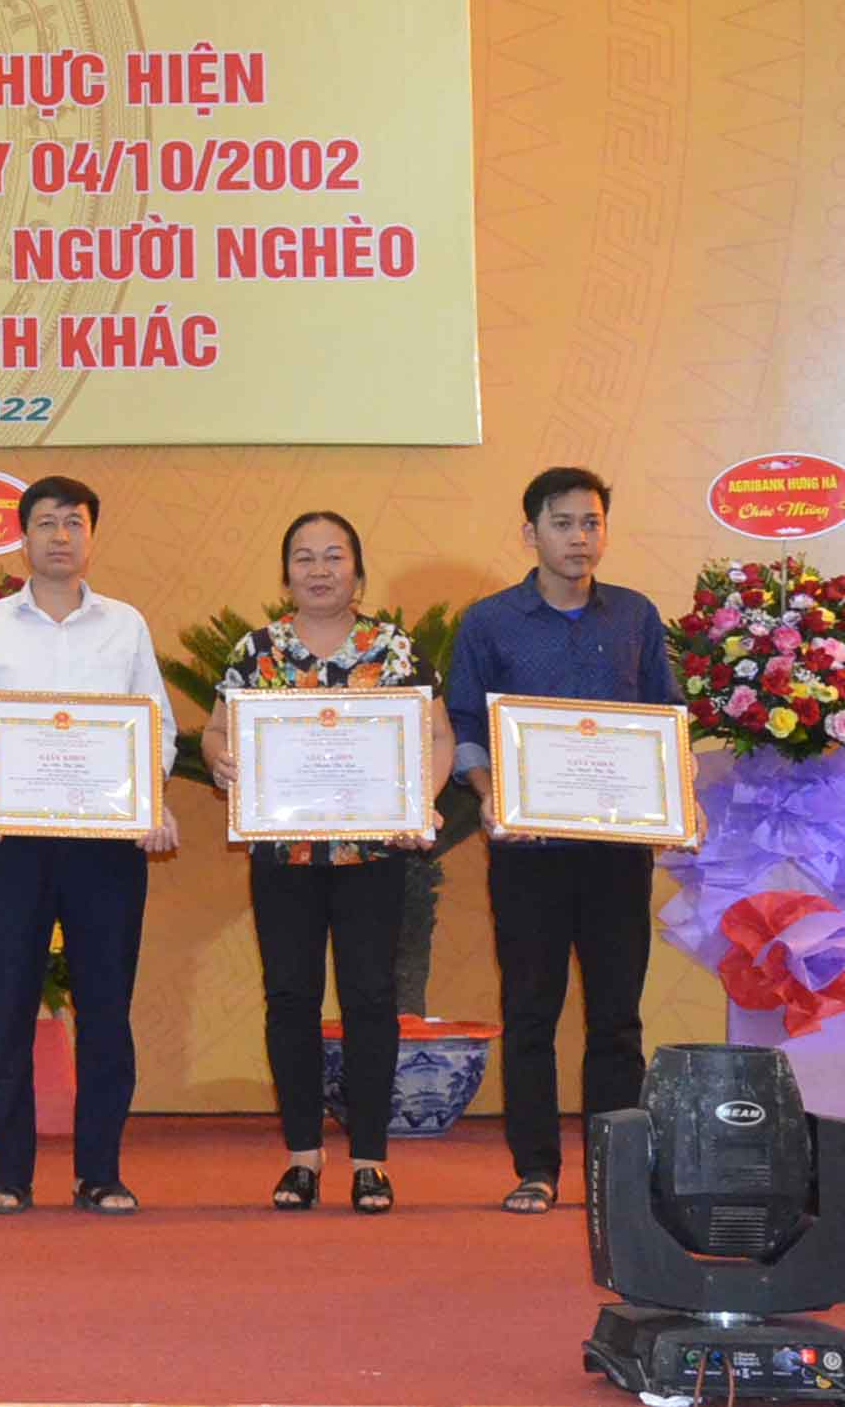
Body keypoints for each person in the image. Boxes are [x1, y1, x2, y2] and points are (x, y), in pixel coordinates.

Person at [0, 475, 178, 1216]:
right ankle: (9, 1174)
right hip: (10, 845)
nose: (60, 535)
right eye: (46, 522)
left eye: (74, 522)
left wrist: (148, 799)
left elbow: (158, 727)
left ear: (91, 536)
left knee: (106, 1008)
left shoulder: (125, 626)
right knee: (7, 1007)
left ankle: (100, 1171)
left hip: (105, 847)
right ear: (23, 537)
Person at [202, 513, 456, 1215]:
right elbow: (218, 729)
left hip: (373, 853)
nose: (319, 570)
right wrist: (220, 760)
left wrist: (419, 803)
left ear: (358, 571)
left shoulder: (394, 648)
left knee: (371, 999)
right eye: (304, 558)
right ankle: (302, 1158)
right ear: (286, 574)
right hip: (282, 853)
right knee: (290, 999)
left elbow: (437, 736)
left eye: (334, 557)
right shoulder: (257, 650)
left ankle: (370, 1161)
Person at [444, 466, 680, 1215]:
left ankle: (614, 1177)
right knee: (530, 1014)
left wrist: (678, 801)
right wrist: (487, 792)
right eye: (563, 523)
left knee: (617, 1019)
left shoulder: (635, 616)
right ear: (531, 533)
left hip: (617, 855)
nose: (580, 537)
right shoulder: (489, 622)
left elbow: (665, 718)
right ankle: (536, 1169)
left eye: (592, 523)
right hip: (528, 853)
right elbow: (464, 722)